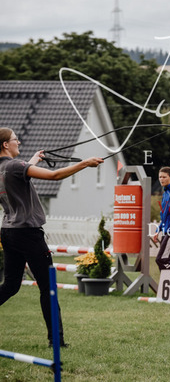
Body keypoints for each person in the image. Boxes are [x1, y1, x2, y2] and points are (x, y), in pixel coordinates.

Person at [0, 128, 103, 347]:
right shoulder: (15, 167)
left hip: (9, 231)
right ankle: (56, 341)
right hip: (28, 233)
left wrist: (33, 160)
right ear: (5, 145)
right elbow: (54, 176)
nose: (19, 142)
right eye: (15, 139)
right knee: (48, 287)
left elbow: (17, 174)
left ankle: (55, 339)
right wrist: (85, 163)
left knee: (10, 285)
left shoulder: (5, 168)